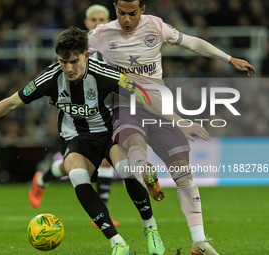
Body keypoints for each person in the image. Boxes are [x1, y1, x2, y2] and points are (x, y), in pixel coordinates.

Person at [0, 26, 207, 255]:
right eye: (63, 61)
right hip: (76, 138)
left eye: (74, 61)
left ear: (86, 56)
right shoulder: (50, 77)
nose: (68, 68)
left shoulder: (105, 74)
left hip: (108, 134)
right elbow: (9, 104)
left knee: (127, 170)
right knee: (77, 174)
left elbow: (145, 96)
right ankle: (117, 242)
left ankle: (150, 228)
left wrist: (181, 121)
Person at [87, 1, 256, 255]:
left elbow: (193, 43)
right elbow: (72, 56)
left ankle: (199, 242)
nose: (127, 19)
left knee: (184, 176)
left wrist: (228, 58)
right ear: (115, 8)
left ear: (142, 9)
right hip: (125, 106)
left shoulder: (156, 25)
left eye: (133, 13)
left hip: (162, 107)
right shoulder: (101, 33)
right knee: (134, 145)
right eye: (122, 13)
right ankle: (146, 171)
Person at [29, 5, 121, 227]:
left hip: (104, 118)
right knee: (74, 168)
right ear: (86, 22)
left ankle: (103, 212)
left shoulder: (116, 50)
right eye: (93, 19)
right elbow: (58, 79)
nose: (98, 23)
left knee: (107, 160)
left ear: (109, 21)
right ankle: (42, 178)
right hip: (75, 123)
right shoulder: (75, 50)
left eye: (102, 19)